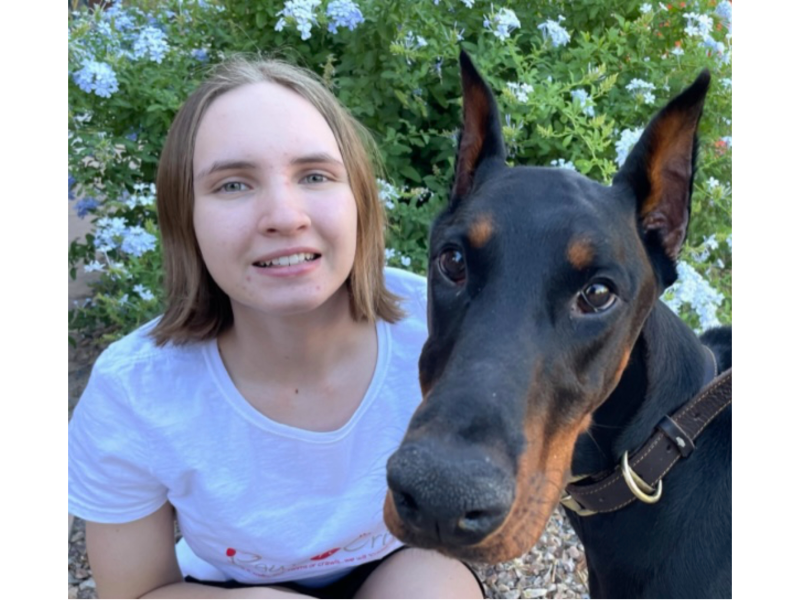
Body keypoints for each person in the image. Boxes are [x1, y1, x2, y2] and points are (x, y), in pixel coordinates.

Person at [67, 57, 484, 599]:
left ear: (359, 198)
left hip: (401, 561)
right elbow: (137, 592)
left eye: (314, 175)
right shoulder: (135, 391)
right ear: (184, 217)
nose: (285, 216)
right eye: (233, 184)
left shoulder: (442, 325)